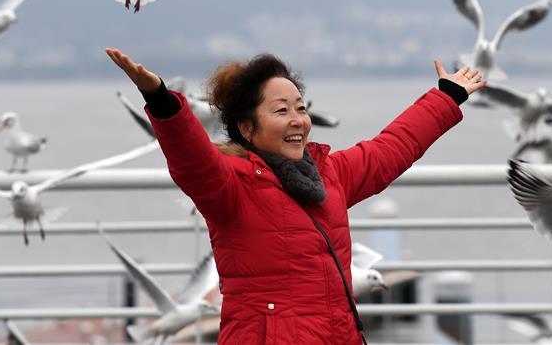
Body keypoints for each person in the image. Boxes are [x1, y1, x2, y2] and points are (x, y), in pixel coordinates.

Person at [105, 48, 485, 344]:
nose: (297, 120)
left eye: (301, 108)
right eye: (281, 110)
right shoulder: (229, 186)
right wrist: (161, 100)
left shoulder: (329, 176)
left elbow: (391, 149)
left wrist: (446, 98)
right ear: (247, 128)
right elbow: (192, 159)